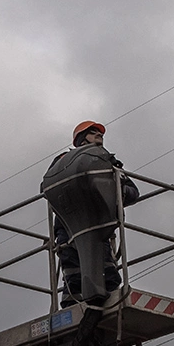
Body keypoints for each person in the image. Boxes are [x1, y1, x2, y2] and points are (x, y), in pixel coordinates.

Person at [41, 121, 139, 308]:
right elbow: (47, 188)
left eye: (100, 133)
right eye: (93, 133)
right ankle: (73, 308)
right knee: (73, 276)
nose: (99, 135)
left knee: (105, 273)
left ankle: (107, 303)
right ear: (80, 139)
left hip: (99, 228)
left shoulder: (108, 164)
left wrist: (112, 190)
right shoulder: (63, 161)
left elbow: (133, 192)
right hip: (67, 230)